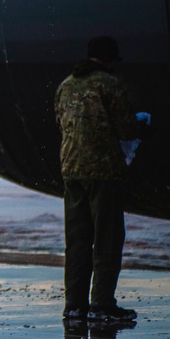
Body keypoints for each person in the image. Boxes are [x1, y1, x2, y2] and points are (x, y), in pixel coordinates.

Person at [54, 36, 147, 323]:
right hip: (103, 172)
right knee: (107, 238)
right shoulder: (109, 84)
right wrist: (143, 125)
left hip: (71, 170)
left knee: (78, 241)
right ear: (109, 59)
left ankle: (74, 307)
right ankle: (102, 305)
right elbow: (125, 128)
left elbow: (60, 121)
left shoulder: (66, 84)